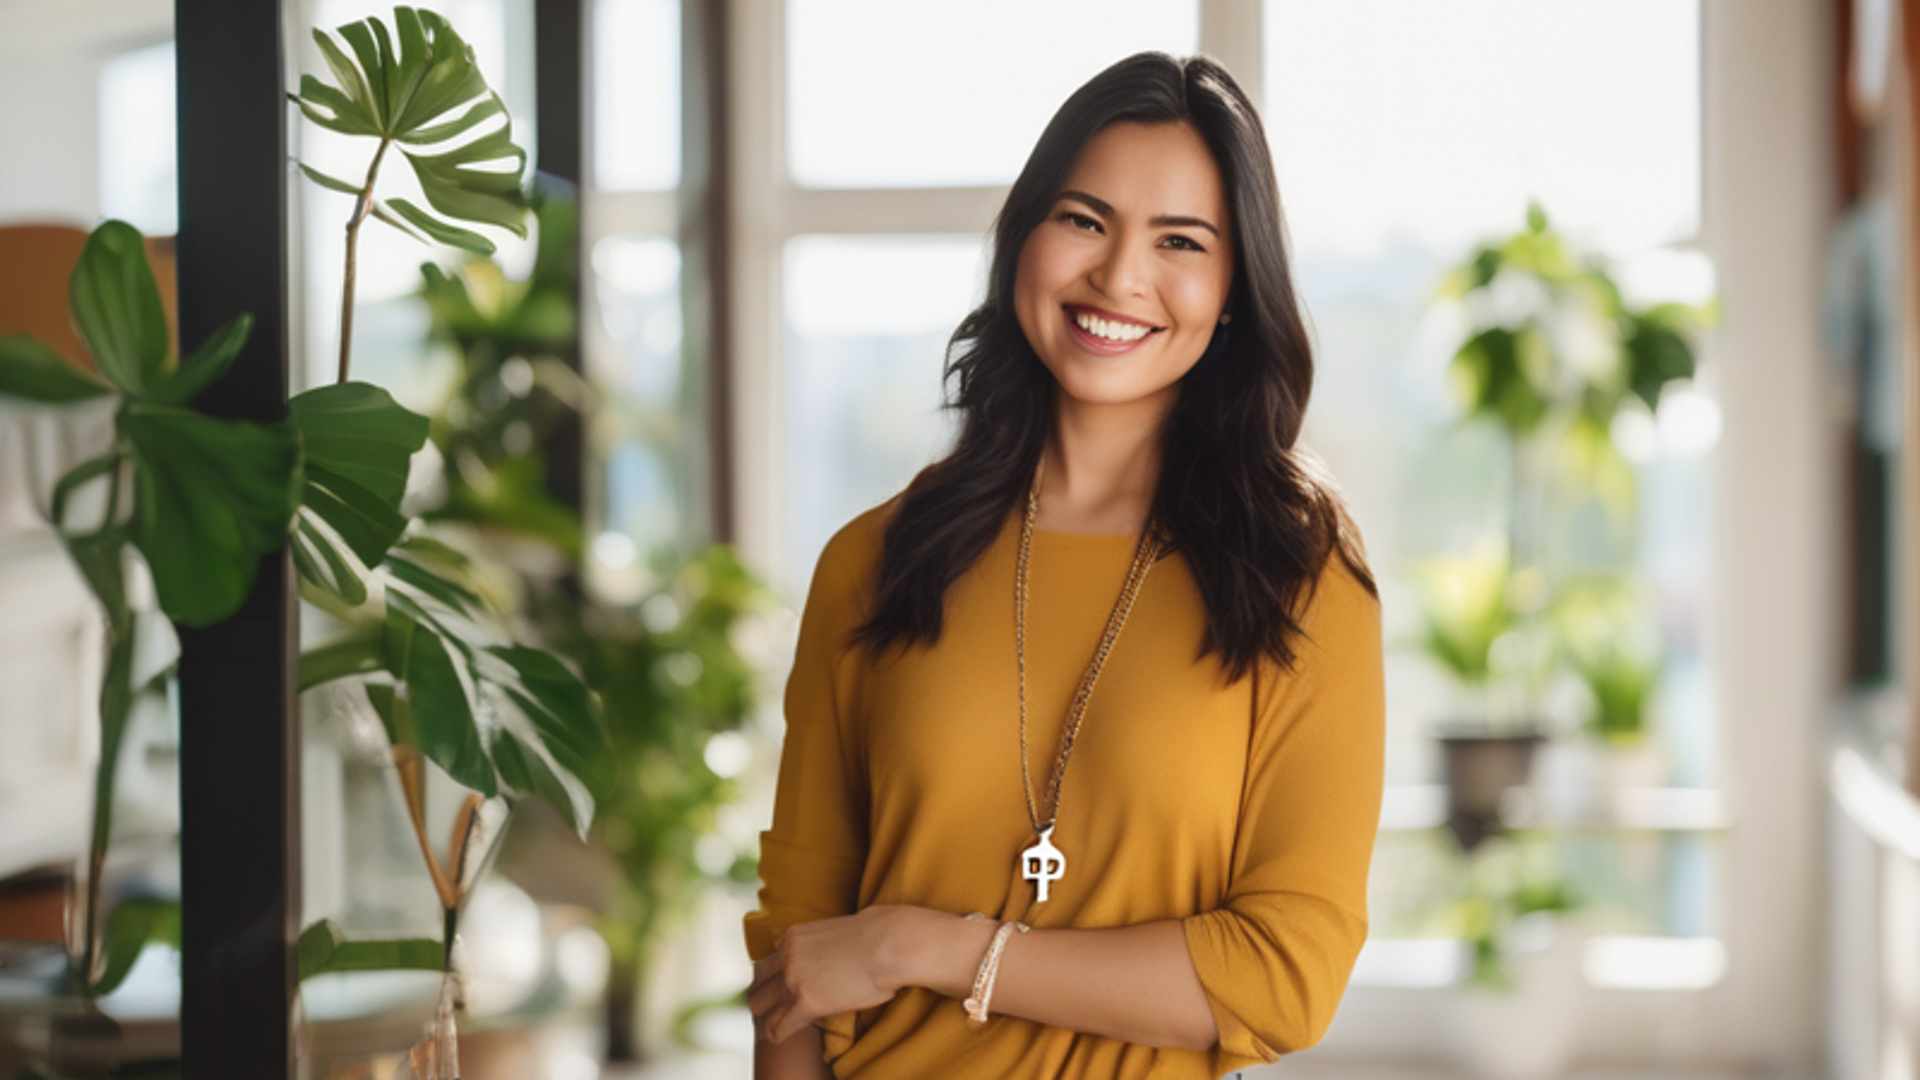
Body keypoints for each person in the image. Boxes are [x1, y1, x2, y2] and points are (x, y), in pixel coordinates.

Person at [744, 51, 1384, 1080]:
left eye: (1180, 241)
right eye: (1084, 220)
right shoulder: (875, 561)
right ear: (1022, 244)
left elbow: (1286, 973)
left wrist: (926, 946)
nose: (1118, 276)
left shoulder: (1299, 574)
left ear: (1231, 292)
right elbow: (798, 956)